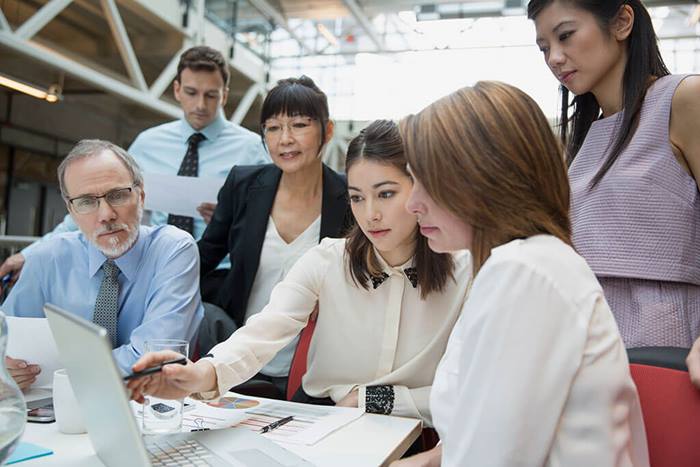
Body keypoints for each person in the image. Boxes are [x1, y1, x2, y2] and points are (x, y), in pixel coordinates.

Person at [128, 120, 472, 429]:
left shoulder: (466, 269)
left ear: (420, 188)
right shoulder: (326, 259)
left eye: (386, 194)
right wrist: (201, 374)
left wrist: (375, 401)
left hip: (420, 429)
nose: (371, 215)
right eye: (356, 197)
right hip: (322, 418)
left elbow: (470, 387)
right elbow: (265, 329)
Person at [393, 82, 648, 466]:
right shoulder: (525, 264)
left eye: (425, 182)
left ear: (480, 178)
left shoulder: (524, 272)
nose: (412, 204)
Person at [0, 46, 269, 303]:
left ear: (224, 95)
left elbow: (273, 221)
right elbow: (91, 207)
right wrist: (30, 255)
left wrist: (233, 221)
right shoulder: (147, 143)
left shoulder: (252, 149)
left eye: (211, 95)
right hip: (153, 270)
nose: (200, 104)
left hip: (218, 275)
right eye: (191, 92)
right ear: (176, 90)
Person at [528, 0, 700, 387]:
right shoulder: (582, 140)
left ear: (622, 22)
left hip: (669, 345)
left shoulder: (684, 99)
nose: (555, 58)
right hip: (590, 342)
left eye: (566, 35)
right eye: (543, 48)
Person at [195, 76, 352, 396]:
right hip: (241, 357)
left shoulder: (351, 196)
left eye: (299, 125)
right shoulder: (243, 184)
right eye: (273, 127)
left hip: (316, 364)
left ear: (328, 130)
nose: (285, 139)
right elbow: (204, 257)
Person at [2, 140, 203, 389]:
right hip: (55, 407)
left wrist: (60, 373)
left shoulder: (173, 249)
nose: (106, 214)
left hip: (147, 406)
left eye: (117, 195)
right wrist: (7, 368)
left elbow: (151, 359)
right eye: (86, 201)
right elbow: (7, 342)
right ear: (72, 210)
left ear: (141, 196)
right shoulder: (46, 258)